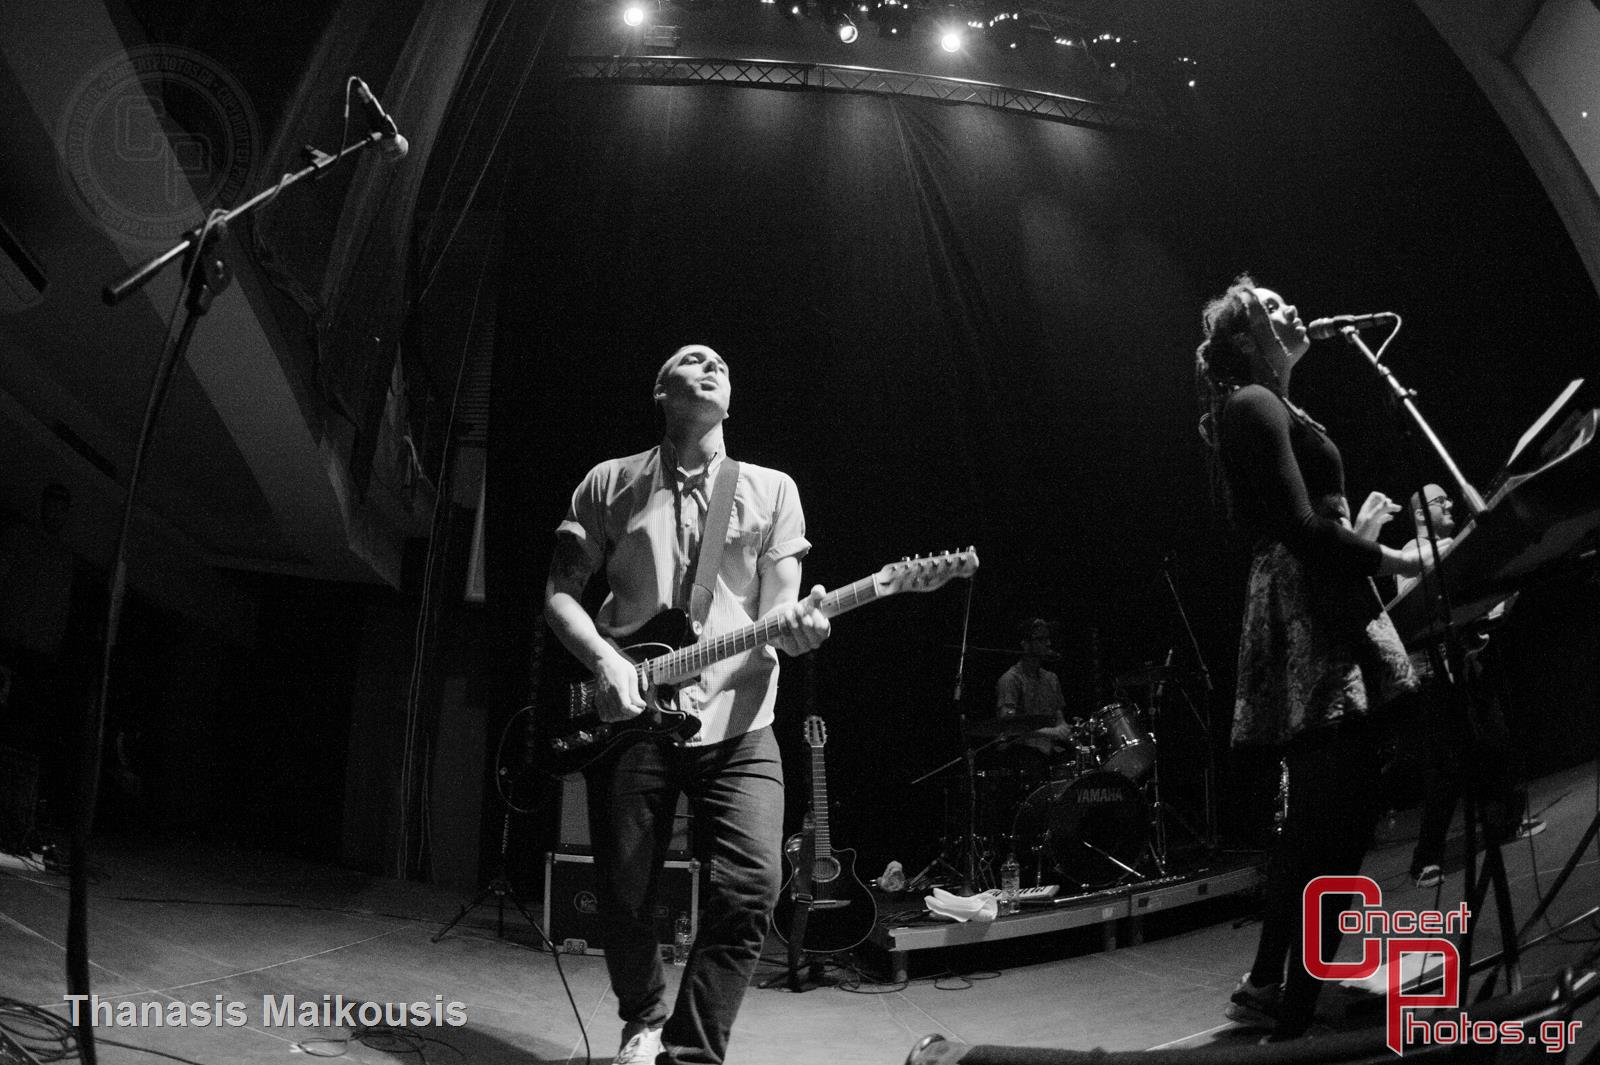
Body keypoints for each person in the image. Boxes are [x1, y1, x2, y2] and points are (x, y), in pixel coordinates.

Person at [544, 344, 830, 1065]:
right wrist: (606, 662)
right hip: (632, 718)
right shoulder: (609, 482)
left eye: (721, 366)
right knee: (624, 889)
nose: (711, 366)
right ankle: (642, 1018)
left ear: (729, 399)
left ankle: (690, 1053)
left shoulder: (772, 489)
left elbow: (780, 610)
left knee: (753, 884)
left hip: (740, 718)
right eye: (692, 359)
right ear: (659, 389)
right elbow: (559, 595)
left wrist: (799, 629)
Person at [1193, 275, 1438, 1041]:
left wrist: (1364, 546)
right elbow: (1300, 526)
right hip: (1309, 604)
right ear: (1246, 338)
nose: (1291, 308)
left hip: (1327, 593)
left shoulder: (1276, 403)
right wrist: (1396, 559)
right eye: (1270, 306)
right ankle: (1289, 1005)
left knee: (1342, 805)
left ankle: (1291, 990)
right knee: (1328, 807)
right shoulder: (1252, 403)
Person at [1399, 485, 1541, 889]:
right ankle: (1425, 858)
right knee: (1446, 766)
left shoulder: (1451, 547)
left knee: (1497, 740)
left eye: (1448, 498)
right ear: (1421, 514)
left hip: (1467, 662)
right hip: (1434, 671)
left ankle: (1509, 821)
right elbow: (1413, 611)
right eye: (1440, 501)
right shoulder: (1413, 551)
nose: (1449, 504)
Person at [993, 618, 1079, 772]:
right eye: (1041, 639)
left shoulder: (1051, 678)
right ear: (1025, 644)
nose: (1048, 644)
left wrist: (1065, 730)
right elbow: (1008, 726)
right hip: (1023, 755)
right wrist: (1051, 732)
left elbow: (1059, 719)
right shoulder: (1010, 679)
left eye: (1048, 638)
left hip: (1050, 752)